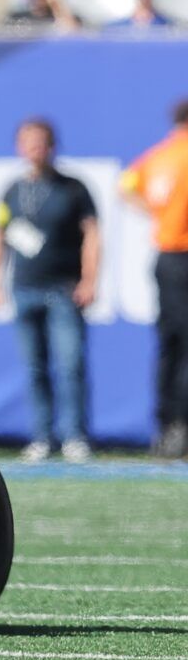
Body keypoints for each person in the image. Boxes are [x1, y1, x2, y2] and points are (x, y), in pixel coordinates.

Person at [0, 117, 98, 462]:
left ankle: (75, 436)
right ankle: (42, 435)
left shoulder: (73, 188)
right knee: (34, 368)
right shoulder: (12, 190)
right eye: (28, 141)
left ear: (52, 146)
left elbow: (92, 235)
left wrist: (90, 279)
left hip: (63, 289)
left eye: (41, 141)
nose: (35, 148)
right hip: (25, 288)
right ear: (19, 147)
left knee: (70, 365)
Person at [122, 99, 188, 458]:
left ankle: (166, 425)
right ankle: (179, 426)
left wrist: (158, 215)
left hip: (167, 256)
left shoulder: (159, 155)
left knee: (171, 343)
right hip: (183, 254)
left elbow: (126, 186)